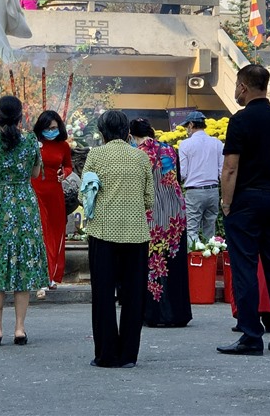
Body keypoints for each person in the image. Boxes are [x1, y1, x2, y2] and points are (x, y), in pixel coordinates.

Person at [217, 64, 270, 357]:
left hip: (246, 200)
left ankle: (251, 335)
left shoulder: (240, 121)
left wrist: (227, 204)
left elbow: (230, 167)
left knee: (245, 268)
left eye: (238, 86)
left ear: (244, 87)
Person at [0, 95, 48, 346]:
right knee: (22, 265)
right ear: (20, 116)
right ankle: (20, 329)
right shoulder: (30, 141)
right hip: (23, 203)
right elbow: (36, 172)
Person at [82, 110, 154, 368]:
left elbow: (86, 194)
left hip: (103, 233)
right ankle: (128, 356)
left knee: (103, 295)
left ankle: (106, 354)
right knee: (134, 296)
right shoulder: (140, 157)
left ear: (102, 132)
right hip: (136, 234)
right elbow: (149, 200)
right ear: (126, 131)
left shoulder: (96, 155)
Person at [129, 118, 191, 329]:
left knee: (153, 264)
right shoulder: (170, 149)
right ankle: (178, 313)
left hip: (153, 213)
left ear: (131, 135)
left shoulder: (138, 153)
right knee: (174, 262)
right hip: (175, 212)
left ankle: (155, 314)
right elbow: (177, 178)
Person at [32, 110, 72, 297]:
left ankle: (53, 275)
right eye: (48, 128)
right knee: (42, 232)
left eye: (54, 128)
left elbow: (69, 166)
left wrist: (64, 173)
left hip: (55, 192)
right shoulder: (33, 144)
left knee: (56, 232)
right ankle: (40, 275)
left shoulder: (63, 145)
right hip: (35, 191)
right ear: (41, 128)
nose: (51, 131)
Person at [176, 111, 223, 245]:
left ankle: (194, 263)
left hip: (194, 192)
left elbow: (183, 173)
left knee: (192, 230)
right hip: (213, 191)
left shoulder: (185, 144)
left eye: (187, 127)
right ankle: (211, 262)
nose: (187, 130)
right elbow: (222, 171)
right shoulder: (217, 143)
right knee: (210, 230)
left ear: (191, 124)